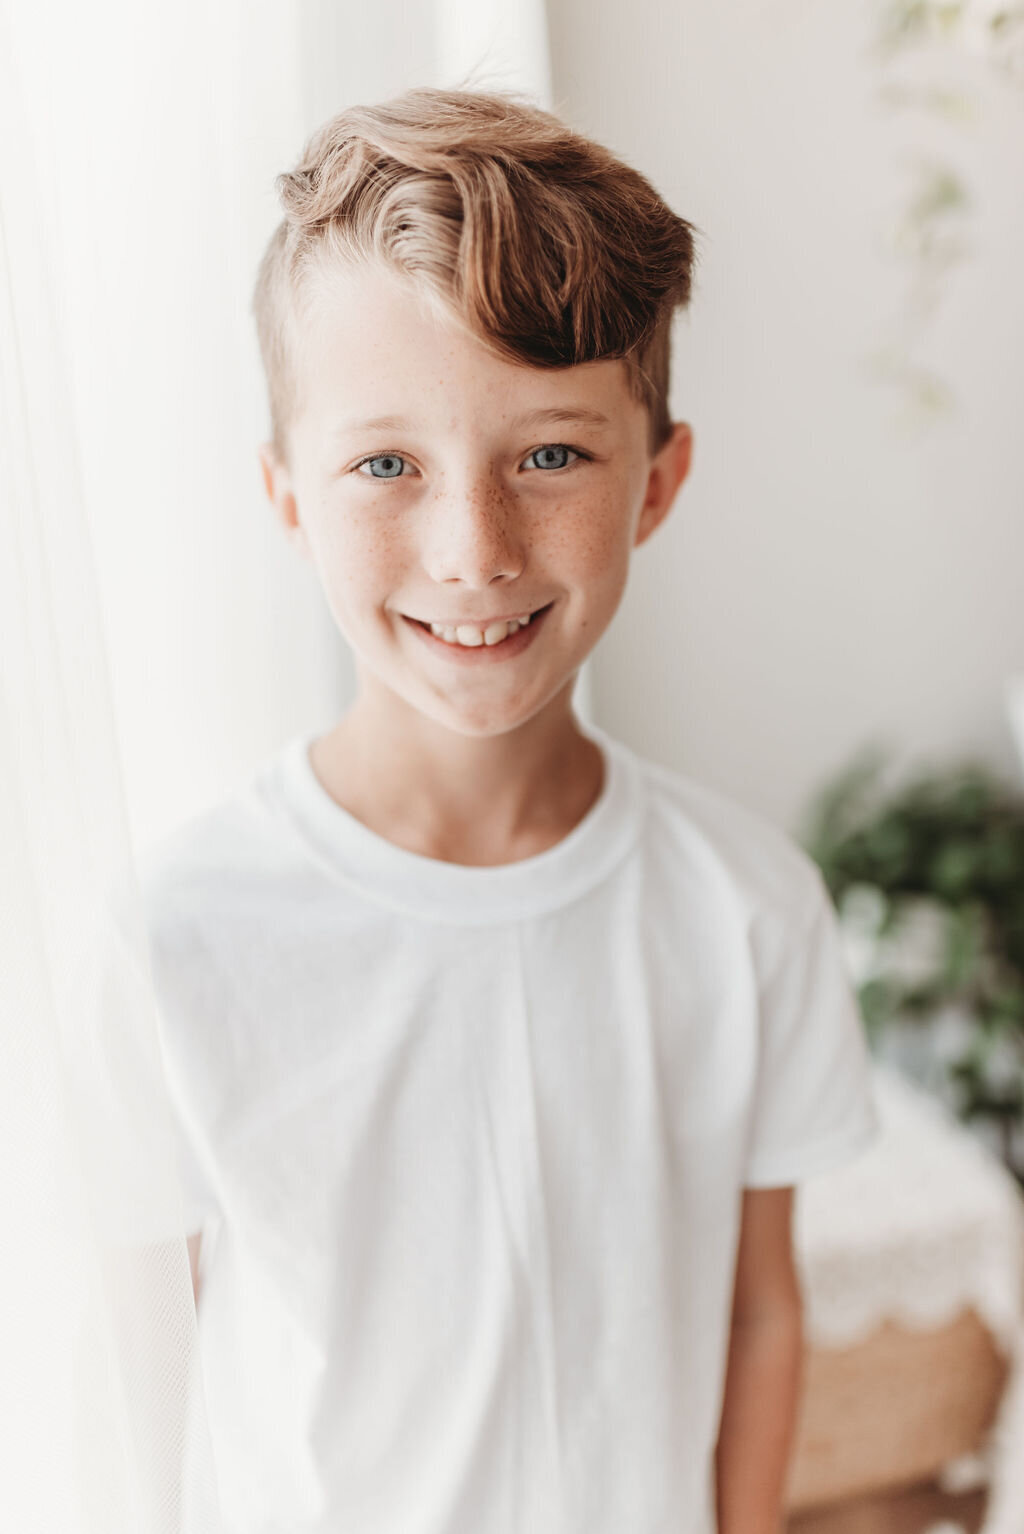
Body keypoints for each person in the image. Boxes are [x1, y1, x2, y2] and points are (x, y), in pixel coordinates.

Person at [139, 86, 881, 1534]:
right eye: (386, 465)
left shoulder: (746, 908)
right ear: (287, 495)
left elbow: (756, 1313)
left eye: (550, 453)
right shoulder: (176, 934)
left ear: (657, 482)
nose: (473, 551)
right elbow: (148, 1381)